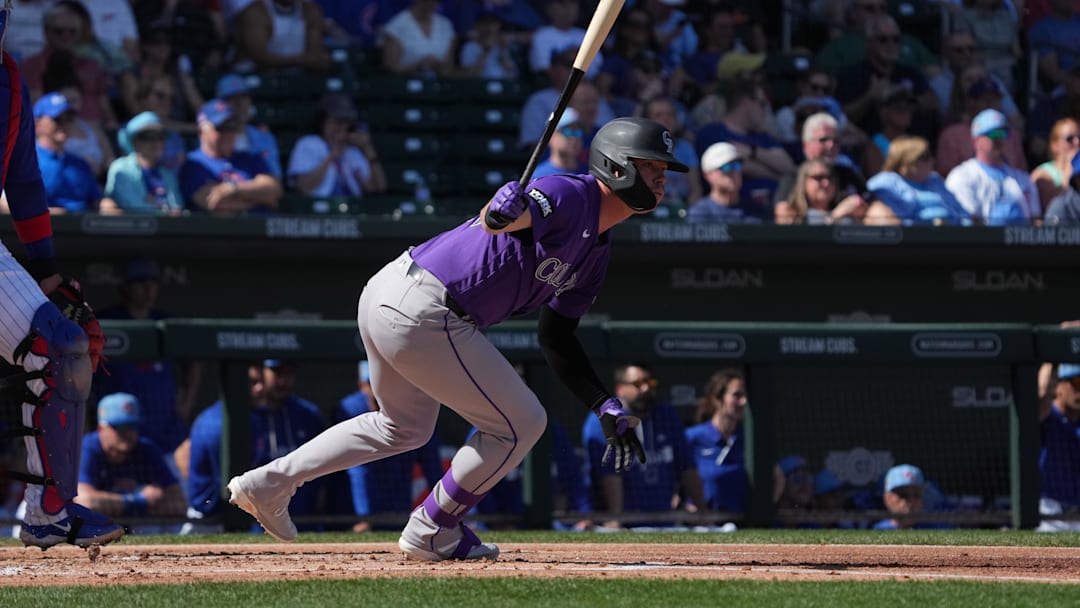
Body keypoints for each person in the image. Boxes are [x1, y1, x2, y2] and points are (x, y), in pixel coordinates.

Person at [226, 116, 676, 561]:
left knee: (401, 427)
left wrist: (603, 402)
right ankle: (432, 527)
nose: (661, 179)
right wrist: (500, 210)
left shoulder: (597, 251)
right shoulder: (570, 192)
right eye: (652, 166)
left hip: (397, 295)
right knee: (521, 423)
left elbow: (556, 335)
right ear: (617, 166)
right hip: (427, 306)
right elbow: (508, 217)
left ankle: (268, 483)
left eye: (664, 170)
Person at [0, 3, 124, 548]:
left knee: (62, 343)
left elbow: (24, 180)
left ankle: (48, 514)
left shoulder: (8, 78)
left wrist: (46, 269)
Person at [187, 360, 325, 528]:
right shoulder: (215, 424)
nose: (259, 388)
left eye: (289, 372)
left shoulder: (304, 414)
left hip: (290, 518)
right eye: (277, 372)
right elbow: (217, 497)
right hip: (213, 522)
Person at [92, 258, 200, 466]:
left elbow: (195, 360)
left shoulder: (166, 322)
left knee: (174, 492)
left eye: (152, 283)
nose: (148, 289)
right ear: (126, 287)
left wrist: (186, 402)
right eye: (140, 283)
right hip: (120, 427)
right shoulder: (106, 321)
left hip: (164, 426)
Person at [582, 363, 706, 529]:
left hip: (664, 521)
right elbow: (610, 474)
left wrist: (704, 514)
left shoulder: (666, 415)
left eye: (650, 383)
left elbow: (687, 467)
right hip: (625, 523)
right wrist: (615, 519)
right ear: (620, 389)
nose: (646, 389)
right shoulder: (605, 420)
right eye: (638, 384)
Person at [332, 361, 443, 533]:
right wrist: (365, 518)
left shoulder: (416, 407)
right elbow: (358, 469)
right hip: (354, 512)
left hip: (399, 505)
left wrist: (444, 514)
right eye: (372, 383)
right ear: (362, 385)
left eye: (385, 381)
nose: (379, 389)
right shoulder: (351, 408)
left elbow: (432, 466)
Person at [75, 393, 187, 534]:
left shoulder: (146, 448)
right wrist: (140, 501)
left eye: (132, 426)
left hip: (137, 526)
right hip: (99, 527)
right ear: (101, 429)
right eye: (120, 427)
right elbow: (86, 502)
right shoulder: (89, 447)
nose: (128, 433)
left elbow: (179, 503)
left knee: (155, 528)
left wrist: (114, 505)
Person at [179, 99, 283, 215]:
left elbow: (273, 191)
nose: (228, 133)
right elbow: (213, 203)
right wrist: (260, 199)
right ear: (201, 131)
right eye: (221, 128)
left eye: (232, 127)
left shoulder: (250, 158)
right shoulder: (194, 163)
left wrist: (233, 189)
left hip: (260, 230)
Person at [944, 109, 1041, 225]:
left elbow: (1036, 221)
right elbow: (967, 224)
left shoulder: (1023, 179)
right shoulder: (962, 176)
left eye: (1003, 133)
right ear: (975, 140)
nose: (999, 139)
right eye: (993, 134)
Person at [286, 93, 387, 198]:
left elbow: (378, 188)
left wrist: (368, 148)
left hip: (350, 210)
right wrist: (331, 157)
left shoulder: (352, 152)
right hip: (318, 210)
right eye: (336, 121)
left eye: (345, 122)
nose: (341, 127)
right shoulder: (308, 144)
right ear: (323, 121)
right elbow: (304, 188)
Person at [33, 91, 119, 214]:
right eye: (57, 119)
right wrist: (46, 213)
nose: (64, 124)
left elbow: (97, 199)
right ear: (37, 124)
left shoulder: (79, 163)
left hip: (82, 230)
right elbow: (6, 203)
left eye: (68, 119)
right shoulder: (25, 162)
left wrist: (108, 206)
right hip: (43, 229)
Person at [866, 136, 972, 225]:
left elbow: (961, 214)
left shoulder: (935, 180)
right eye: (925, 157)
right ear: (907, 162)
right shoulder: (886, 183)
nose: (932, 160)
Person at [684, 368, 748, 514]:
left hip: (742, 528)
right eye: (737, 395)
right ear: (717, 399)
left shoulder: (748, 439)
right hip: (703, 527)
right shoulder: (692, 437)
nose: (743, 402)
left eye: (745, 395)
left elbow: (777, 476)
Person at [104, 112, 185, 215]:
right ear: (134, 141)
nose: (156, 142)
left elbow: (178, 207)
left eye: (160, 136)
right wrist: (163, 212)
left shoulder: (168, 174)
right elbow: (132, 207)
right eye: (148, 137)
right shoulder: (120, 168)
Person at [230, 0, 331, 73]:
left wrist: (311, 60)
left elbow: (315, 55)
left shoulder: (311, 11)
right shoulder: (255, 11)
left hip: (295, 77)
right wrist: (304, 60)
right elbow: (260, 57)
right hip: (255, 77)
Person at [1037, 362, 1080, 530]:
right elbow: (1041, 394)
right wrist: (1053, 358)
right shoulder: (1048, 416)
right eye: (1076, 382)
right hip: (1051, 514)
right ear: (1058, 387)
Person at [215, 73, 282, 180]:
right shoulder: (212, 136)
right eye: (233, 99)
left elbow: (275, 179)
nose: (240, 104)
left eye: (244, 97)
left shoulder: (265, 137)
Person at [774, 159, 868, 224]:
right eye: (818, 177)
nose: (826, 183)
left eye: (830, 177)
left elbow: (858, 203)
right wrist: (833, 218)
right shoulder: (794, 215)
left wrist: (834, 214)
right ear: (804, 182)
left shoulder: (843, 207)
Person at [378, 0, 455, 76]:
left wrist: (439, 66)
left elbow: (449, 67)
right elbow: (390, 67)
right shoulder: (398, 25)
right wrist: (417, 66)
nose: (432, 3)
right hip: (406, 83)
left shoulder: (445, 24)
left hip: (441, 83)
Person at [688, 142, 760, 223]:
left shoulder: (756, 210)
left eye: (737, 165)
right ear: (707, 175)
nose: (733, 172)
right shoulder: (699, 214)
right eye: (726, 167)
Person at [1031, 118, 1080, 211]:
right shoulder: (1042, 174)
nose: (1077, 142)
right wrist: (1071, 167)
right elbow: (1060, 205)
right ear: (1054, 145)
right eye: (1070, 139)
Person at [873, 463, 935, 529]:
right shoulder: (878, 532)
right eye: (903, 495)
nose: (911, 501)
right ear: (887, 498)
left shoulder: (936, 529)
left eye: (916, 495)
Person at [530, 108, 587, 180]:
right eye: (567, 131)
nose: (574, 137)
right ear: (551, 136)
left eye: (578, 132)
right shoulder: (538, 176)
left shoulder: (589, 174)